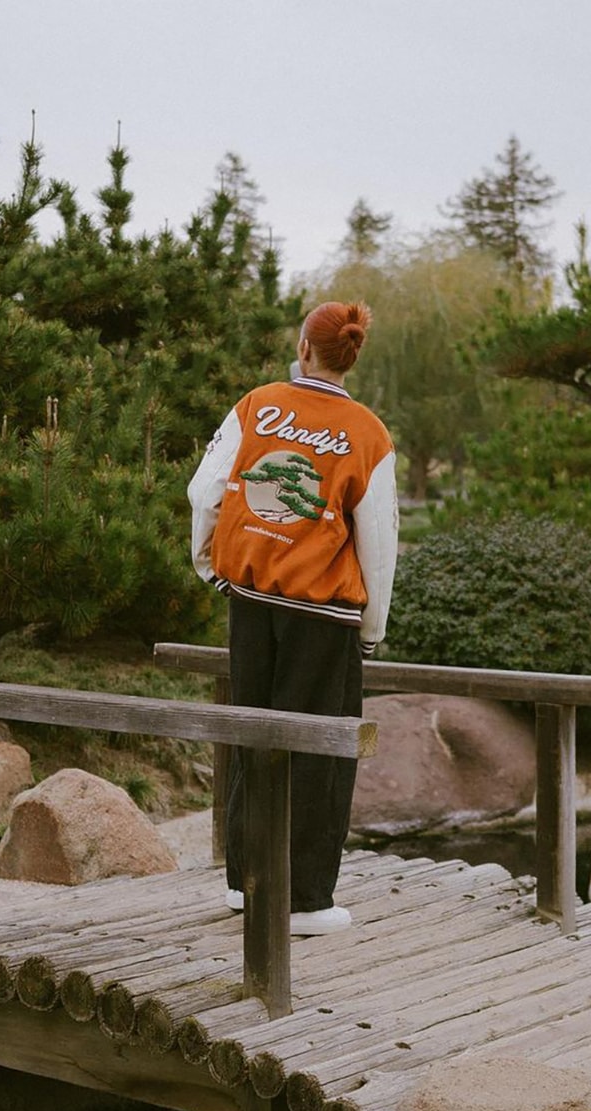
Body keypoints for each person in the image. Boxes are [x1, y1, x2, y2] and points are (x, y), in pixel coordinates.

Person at [187, 301, 399, 935]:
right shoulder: (368, 433)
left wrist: (210, 563)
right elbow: (378, 541)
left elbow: (207, 491)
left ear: (305, 347)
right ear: (349, 357)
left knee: (254, 733)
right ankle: (304, 899)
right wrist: (372, 626)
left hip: (250, 601)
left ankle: (245, 883)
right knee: (318, 749)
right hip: (323, 613)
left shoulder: (256, 406)